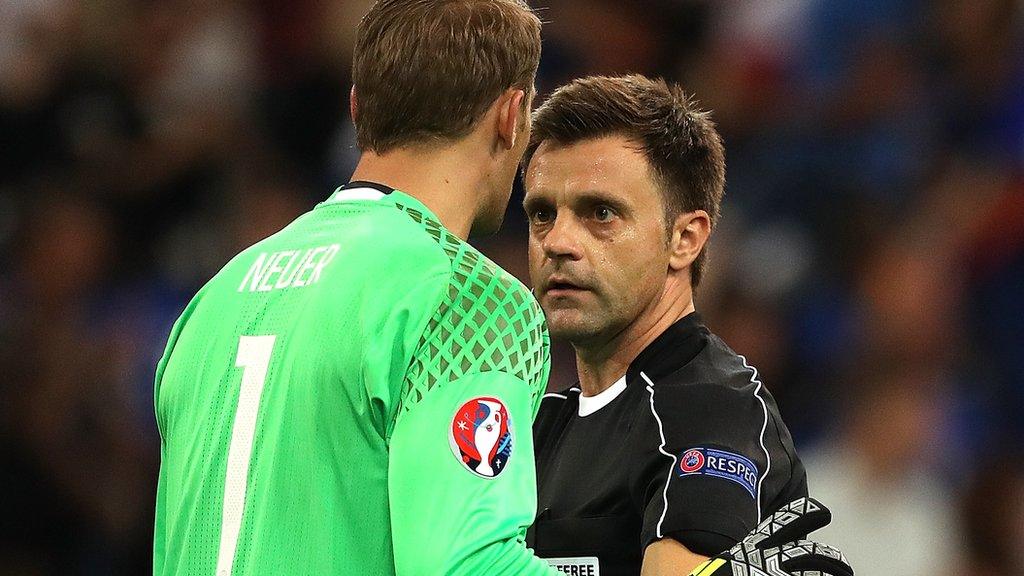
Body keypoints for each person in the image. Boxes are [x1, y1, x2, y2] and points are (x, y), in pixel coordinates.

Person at [152, 1, 560, 574]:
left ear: (357, 108)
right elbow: (465, 565)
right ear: (513, 115)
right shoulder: (464, 296)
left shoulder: (214, 298)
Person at [522, 75, 811, 576]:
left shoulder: (707, 410)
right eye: (542, 213)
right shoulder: (538, 421)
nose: (558, 241)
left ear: (685, 239)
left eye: (602, 212)